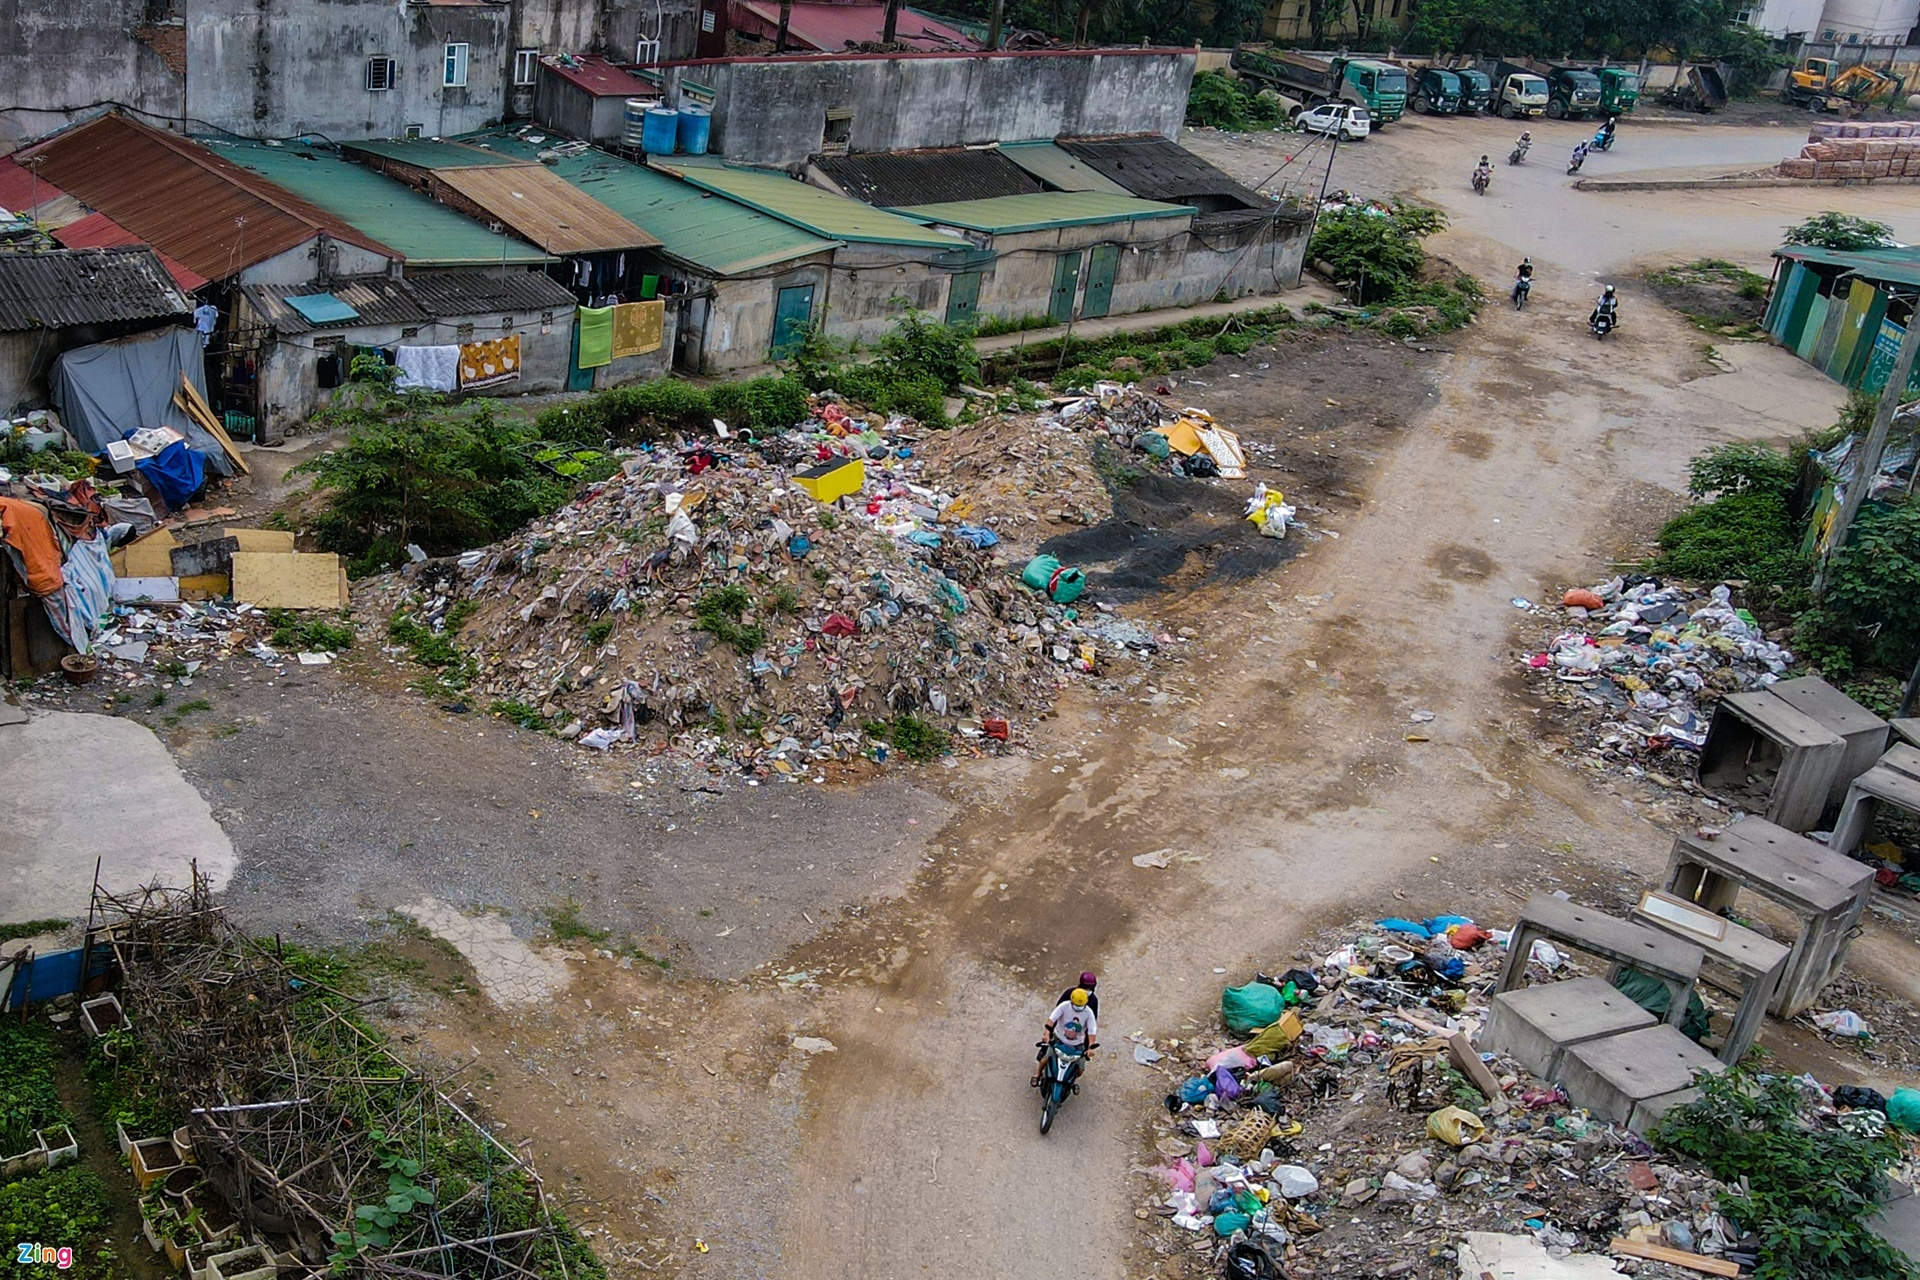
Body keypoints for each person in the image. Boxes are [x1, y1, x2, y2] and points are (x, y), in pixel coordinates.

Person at [1032, 988, 1098, 1086]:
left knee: (1080, 1070)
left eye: (1081, 1005)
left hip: (1077, 1045)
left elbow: (1092, 1031)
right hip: (1059, 1040)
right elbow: (1051, 1020)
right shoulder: (1064, 1006)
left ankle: (1071, 1082)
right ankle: (1037, 1074)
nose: (1078, 1007)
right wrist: (1047, 1034)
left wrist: (1090, 1047)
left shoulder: (1089, 1013)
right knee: (1045, 1059)